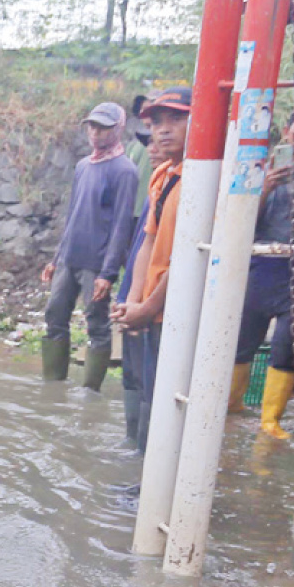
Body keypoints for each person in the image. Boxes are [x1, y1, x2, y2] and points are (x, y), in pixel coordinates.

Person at [232, 100, 294, 438]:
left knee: (287, 347)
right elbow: (239, 221)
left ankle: (269, 422)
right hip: (260, 269)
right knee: (240, 343)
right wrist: (266, 186)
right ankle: (231, 410)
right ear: (287, 131)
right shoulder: (262, 169)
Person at [111, 86, 192, 453]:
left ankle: (160, 486)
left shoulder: (205, 179)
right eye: (157, 121)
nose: (163, 129)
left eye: (177, 118)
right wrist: (131, 301)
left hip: (180, 313)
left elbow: (189, 258)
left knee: (170, 400)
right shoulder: (162, 177)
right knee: (150, 391)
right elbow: (147, 243)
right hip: (154, 312)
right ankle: (145, 478)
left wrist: (148, 307)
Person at [41, 103, 141, 389]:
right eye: (92, 126)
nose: (96, 133)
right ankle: (52, 385)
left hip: (95, 262)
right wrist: (56, 257)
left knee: (96, 325)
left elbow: (121, 226)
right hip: (69, 258)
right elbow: (72, 215)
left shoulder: (124, 171)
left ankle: (90, 392)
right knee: (54, 317)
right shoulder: (84, 166)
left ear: (119, 129)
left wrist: (107, 273)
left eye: (103, 128)